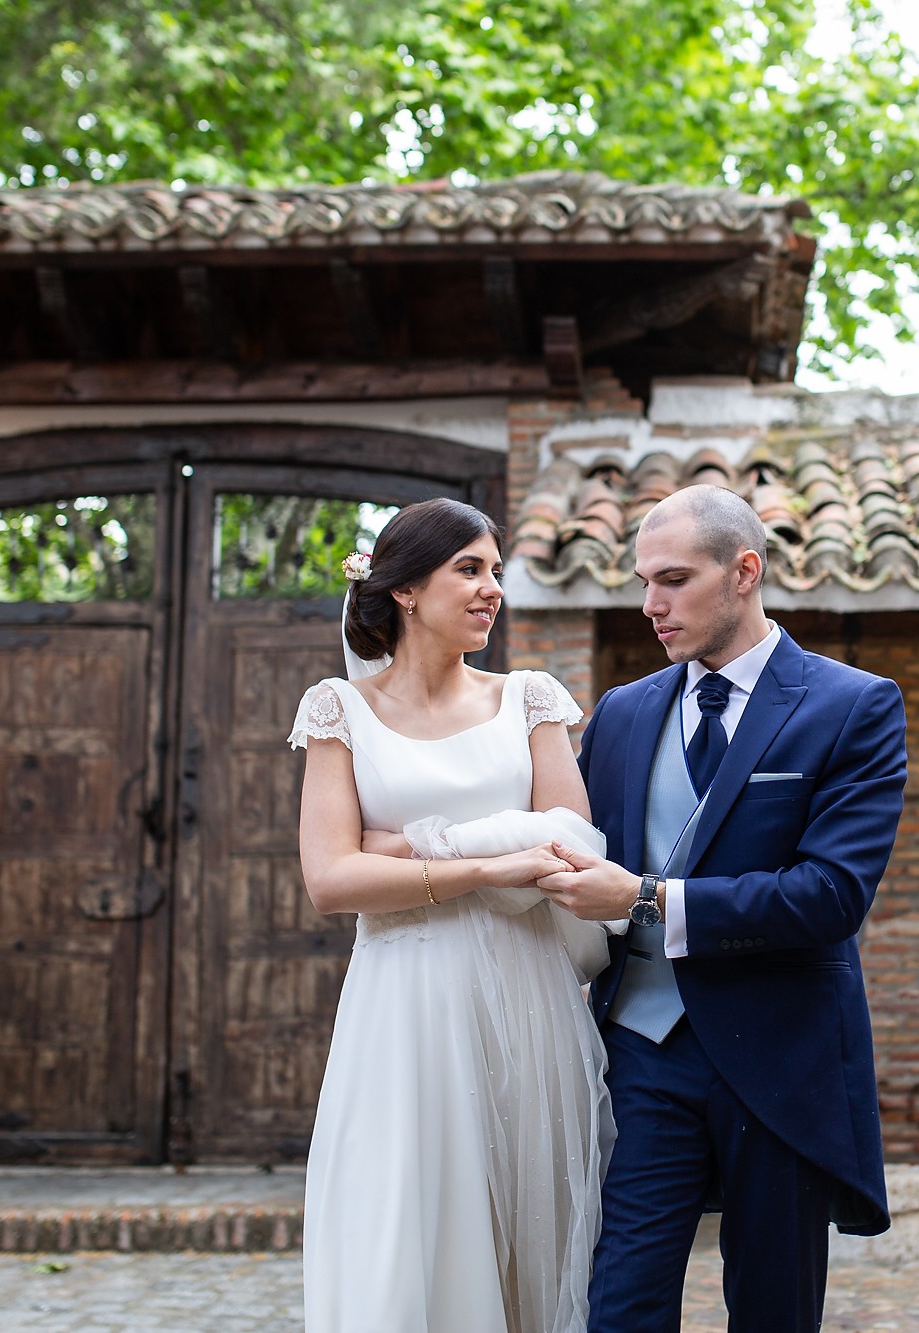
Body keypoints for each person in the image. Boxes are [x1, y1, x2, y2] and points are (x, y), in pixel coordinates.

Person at [539, 484, 910, 1333]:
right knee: (619, 1306)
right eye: (643, 581)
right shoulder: (624, 714)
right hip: (640, 1053)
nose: (650, 605)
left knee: (774, 1312)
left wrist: (643, 898)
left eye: (673, 579)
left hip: (779, 1055)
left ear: (745, 570)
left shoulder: (853, 704)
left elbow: (832, 894)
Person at [288, 497, 614, 1333]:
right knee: (405, 1222)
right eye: (469, 569)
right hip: (405, 1000)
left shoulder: (532, 699)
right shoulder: (339, 709)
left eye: (495, 571)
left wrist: (412, 845)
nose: (490, 589)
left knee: (525, 1230)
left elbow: (569, 848)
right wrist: (492, 862)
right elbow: (329, 878)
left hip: (526, 990)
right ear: (403, 589)